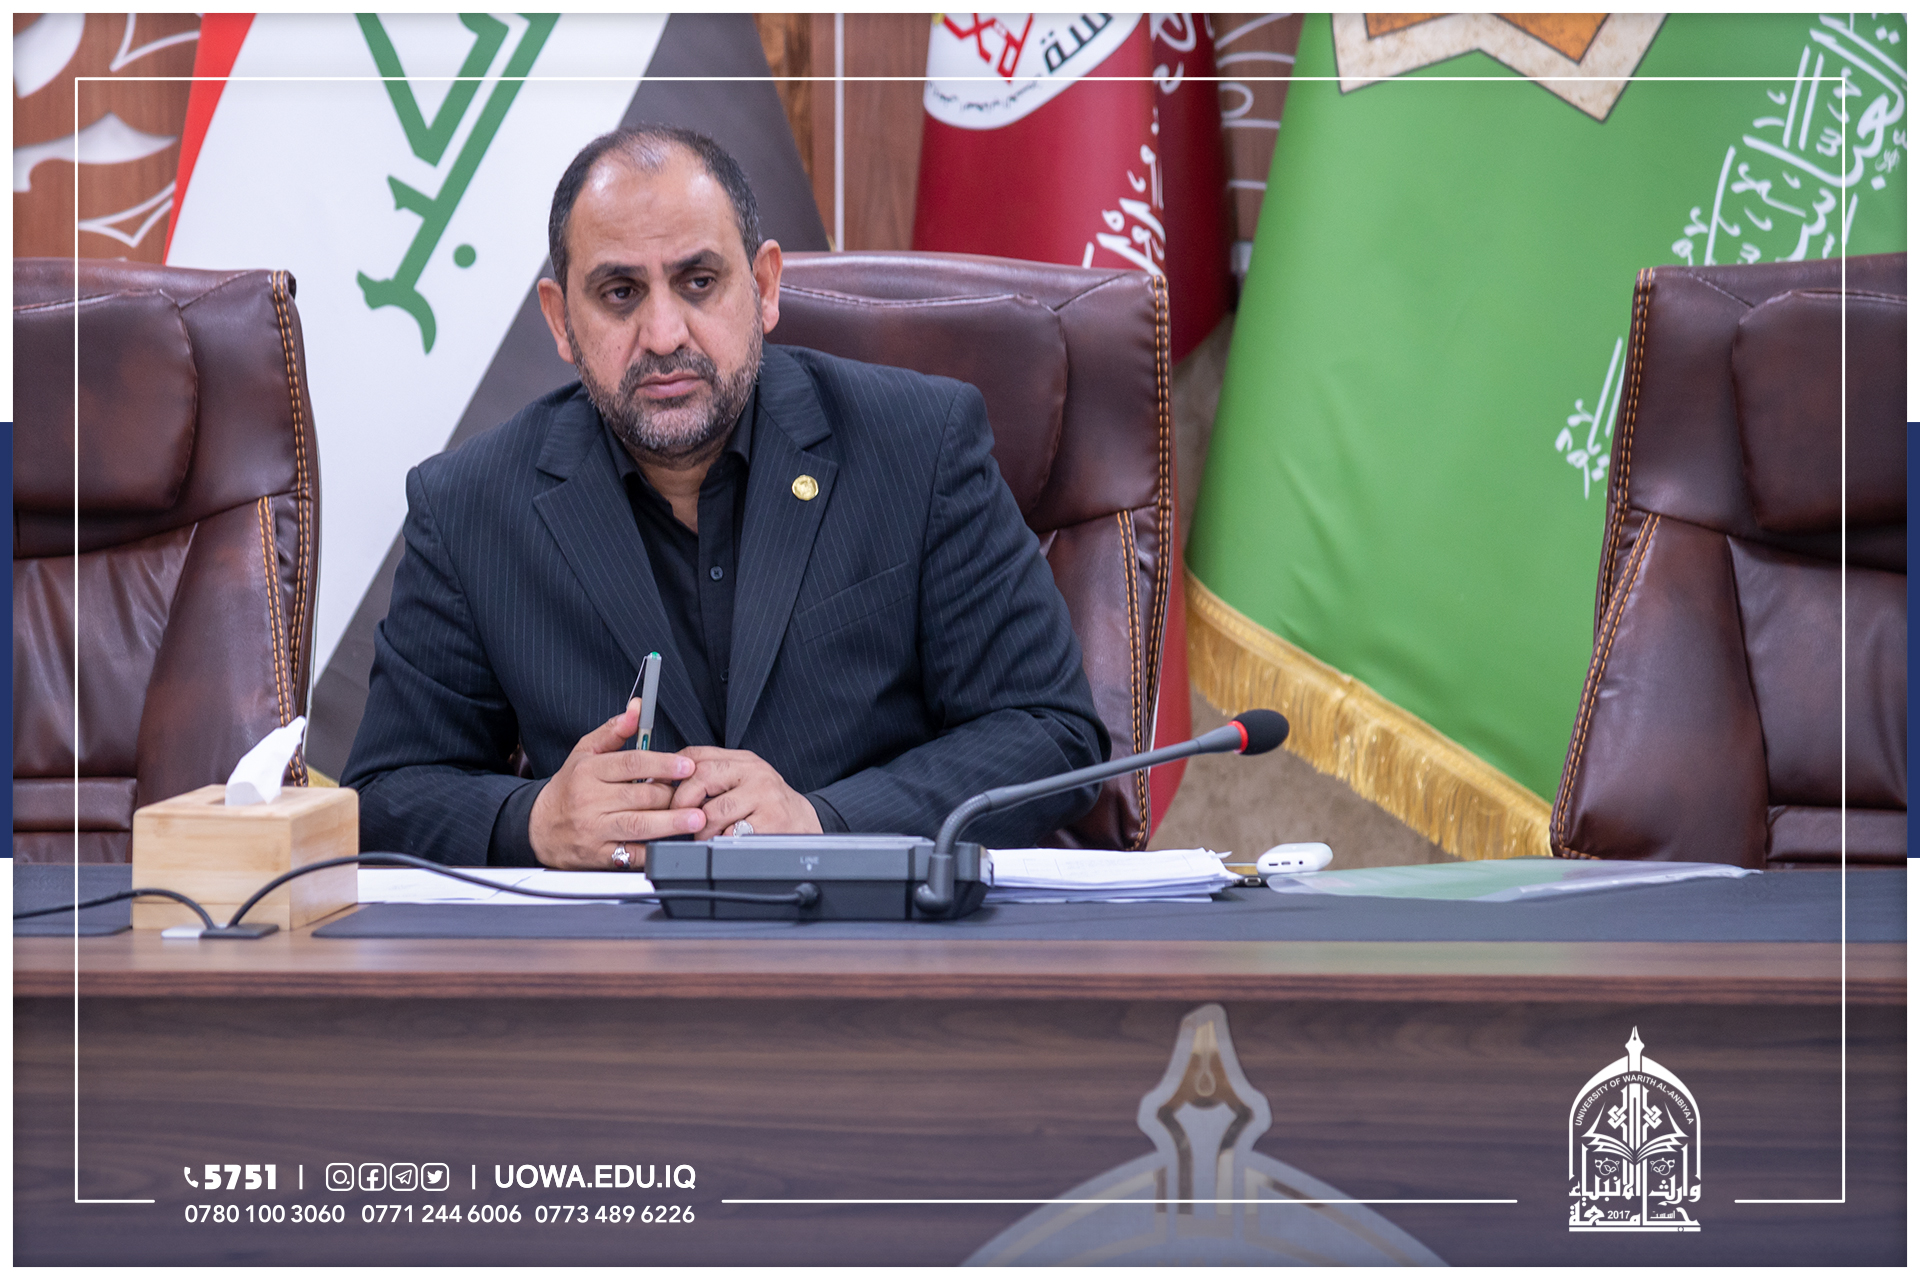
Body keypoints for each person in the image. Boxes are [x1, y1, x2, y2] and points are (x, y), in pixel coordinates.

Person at [341, 125, 1108, 868]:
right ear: (560, 320)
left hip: (867, 939)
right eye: (619, 292)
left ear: (764, 287)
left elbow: (1052, 733)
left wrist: (824, 821)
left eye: (698, 282)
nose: (664, 334)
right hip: (612, 948)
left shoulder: (919, 445)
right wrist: (534, 821)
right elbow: (384, 796)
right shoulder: (469, 506)